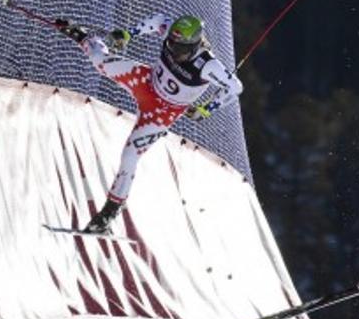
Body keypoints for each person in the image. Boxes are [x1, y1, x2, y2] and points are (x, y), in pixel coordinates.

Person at [54, 14, 243, 234]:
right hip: (146, 82)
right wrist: (128, 34)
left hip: (163, 112)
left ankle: (109, 212)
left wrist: (206, 109)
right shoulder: (172, 33)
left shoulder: (208, 65)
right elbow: (157, 21)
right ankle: (83, 37)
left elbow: (235, 87)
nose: (174, 51)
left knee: (130, 154)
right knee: (101, 63)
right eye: (171, 44)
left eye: (181, 49)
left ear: (194, 44)